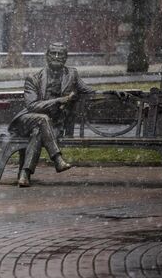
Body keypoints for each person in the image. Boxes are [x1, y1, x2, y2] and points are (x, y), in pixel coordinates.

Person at [8, 42, 126, 188]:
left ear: (65, 58)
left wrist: (111, 92)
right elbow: (32, 106)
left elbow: (90, 92)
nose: (56, 57)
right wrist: (59, 101)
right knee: (42, 119)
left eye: (60, 54)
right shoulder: (34, 78)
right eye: (53, 53)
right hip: (26, 120)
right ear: (47, 56)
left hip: (52, 126)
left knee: (38, 132)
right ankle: (57, 159)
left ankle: (24, 175)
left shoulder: (72, 74)